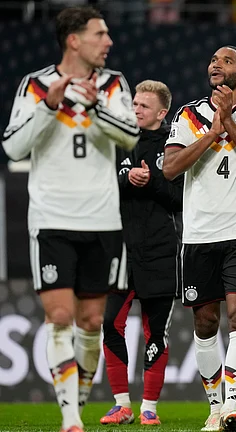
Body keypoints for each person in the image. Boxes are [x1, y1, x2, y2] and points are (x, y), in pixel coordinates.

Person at [2, 6, 139, 432]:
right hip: (53, 218)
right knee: (60, 317)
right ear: (74, 40)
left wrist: (95, 108)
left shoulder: (113, 83)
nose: (109, 41)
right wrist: (49, 106)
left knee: (92, 322)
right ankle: (70, 418)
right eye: (100, 34)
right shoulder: (35, 85)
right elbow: (13, 147)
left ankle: (76, 402)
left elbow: (130, 135)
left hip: (102, 220)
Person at [162, 45, 236, 432]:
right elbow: (170, 169)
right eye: (213, 59)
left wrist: (228, 123)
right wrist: (212, 132)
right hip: (200, 234)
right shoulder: (188, 115)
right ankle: (213, 408)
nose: (216, 64)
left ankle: (230, 406)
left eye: (226, 61)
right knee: (205, 322)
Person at [100, 80, 181, 426]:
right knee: (110, 323)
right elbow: (99, 185)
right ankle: (121, 404)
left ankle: (149, 407)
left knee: (155, 330)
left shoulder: (174, 145)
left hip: (160, 250)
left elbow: (181, 199)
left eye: (144, 106)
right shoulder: (117, 141)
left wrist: (153, 182)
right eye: (134, 104)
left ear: (162, 113)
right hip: (120, 249)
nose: (136, 110)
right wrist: (125, 179)